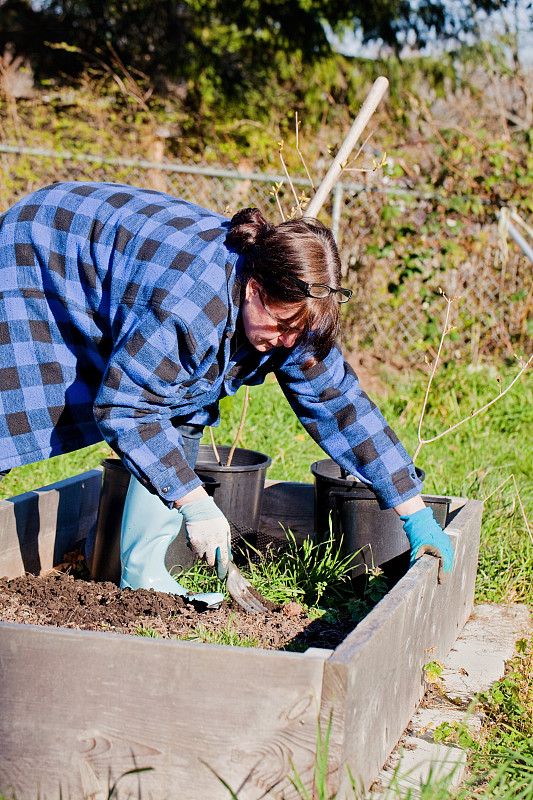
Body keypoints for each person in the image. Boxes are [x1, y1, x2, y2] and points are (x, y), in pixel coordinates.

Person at [0, 181, 453, 604]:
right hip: (44, 248)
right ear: (253, 290)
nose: (289, 344)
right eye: (282, 326)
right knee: (12, 405)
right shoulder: (190, 305)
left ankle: (141, 575)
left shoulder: (295, 314)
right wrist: (196, 504)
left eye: (301, 331)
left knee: (180, 398)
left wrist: (413, 512)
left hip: (121, 265)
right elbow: (126, 408)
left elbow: (340, 407)